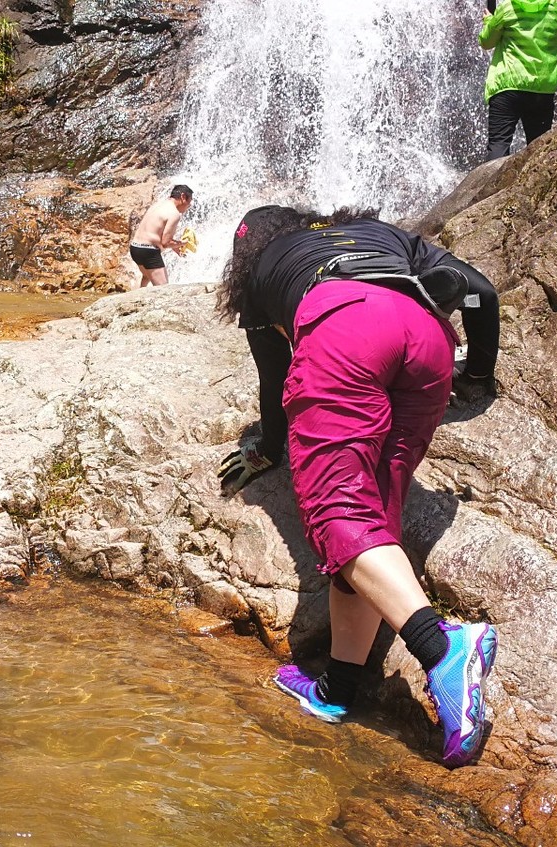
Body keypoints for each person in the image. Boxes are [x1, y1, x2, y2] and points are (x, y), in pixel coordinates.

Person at [215, 205, 498, 767]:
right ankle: (338, 688)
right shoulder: (378, 233)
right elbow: (480, 294)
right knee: (371, 526)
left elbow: (276, 387)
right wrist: (479, 373)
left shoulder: (266, 274)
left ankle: (442, 648)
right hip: (428, 340)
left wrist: (269, 451)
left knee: (335, 512)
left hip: (347, 328)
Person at [479, 0, 557, 161]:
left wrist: (489, 20)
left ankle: (491, 186)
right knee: (538, 149)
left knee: (498, 145)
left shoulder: (507, 8)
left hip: (508, 86)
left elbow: (487, 42)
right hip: (542, 89)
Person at [130, 185, 194, 287]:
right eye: (189, 202)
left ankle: (137, 300)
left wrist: (176, 247)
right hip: (148, 252)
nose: (188, 206)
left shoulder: (159, 204)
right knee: (163, 289)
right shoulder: (174, 213)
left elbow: (157, 232)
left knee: (147, 277)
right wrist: (184, 243)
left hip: (135, 248)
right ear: (183, 197)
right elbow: (165, 243)